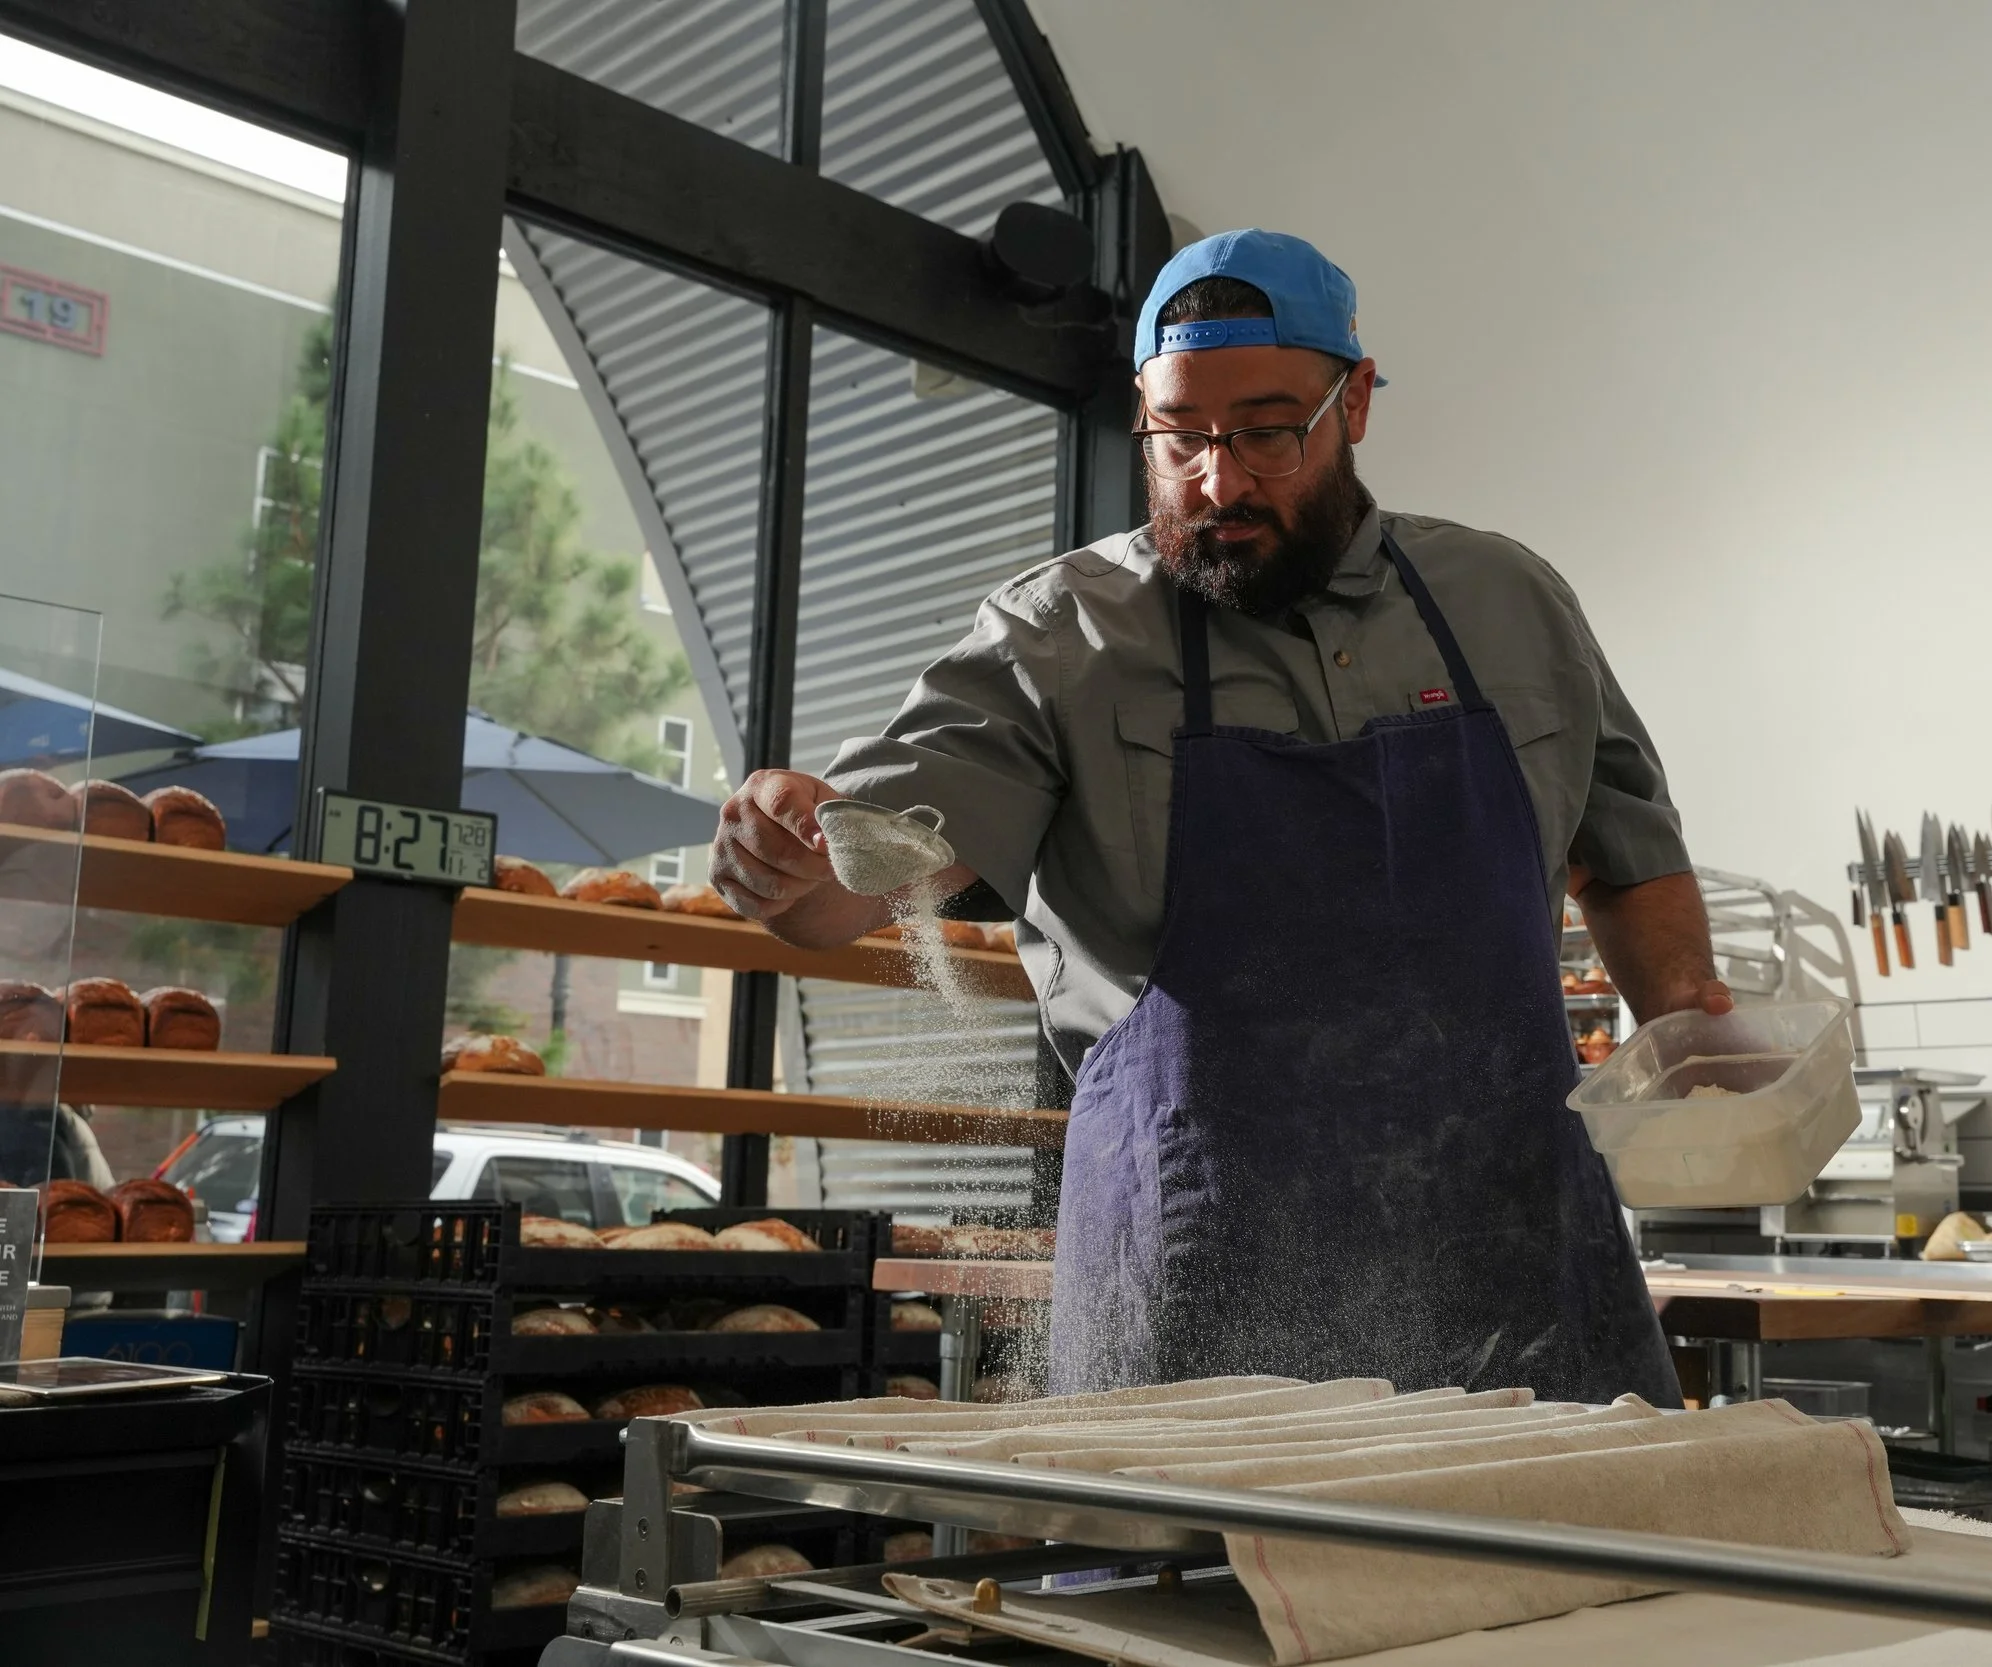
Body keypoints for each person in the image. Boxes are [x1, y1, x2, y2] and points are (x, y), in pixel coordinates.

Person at [710, 229, 1727, 1403]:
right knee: (1204, 1585)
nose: (1218, 480)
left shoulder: (1508, 600)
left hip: (1513, 1268)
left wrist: (1691, 1037)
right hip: (1200, 1290)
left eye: (1265, 431)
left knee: (1567, 1575)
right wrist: (785, 860)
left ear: (1355, 402)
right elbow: (858, 880)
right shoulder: (1060, 637)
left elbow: (1627, 850)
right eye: (1178, 435)